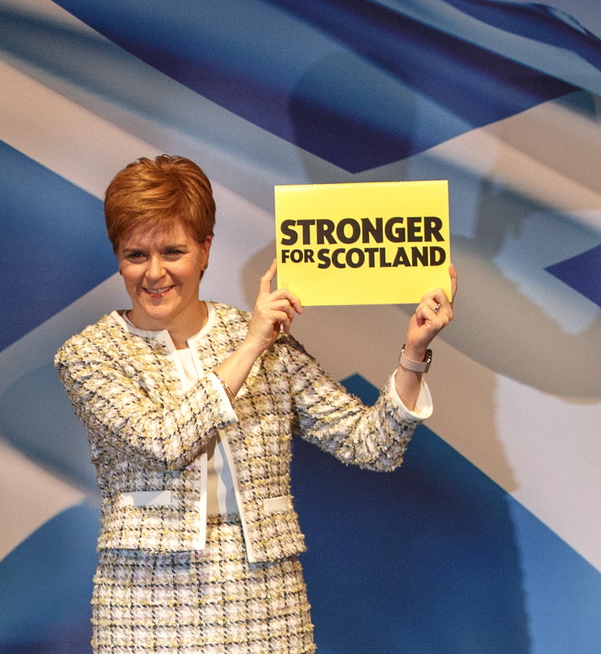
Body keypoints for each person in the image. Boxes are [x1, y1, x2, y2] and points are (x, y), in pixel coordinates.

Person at [55, 154, 457, 653]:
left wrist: (414, 353)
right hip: (145, 605)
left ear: (205, 249)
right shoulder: (88, 355)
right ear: (118, 257)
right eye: (136, 254)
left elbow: (371, 446)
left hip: (266, 601)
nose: (154, 273)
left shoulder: (266, 340)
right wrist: (250, 347)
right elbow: (162, 443)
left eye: (173, 251)